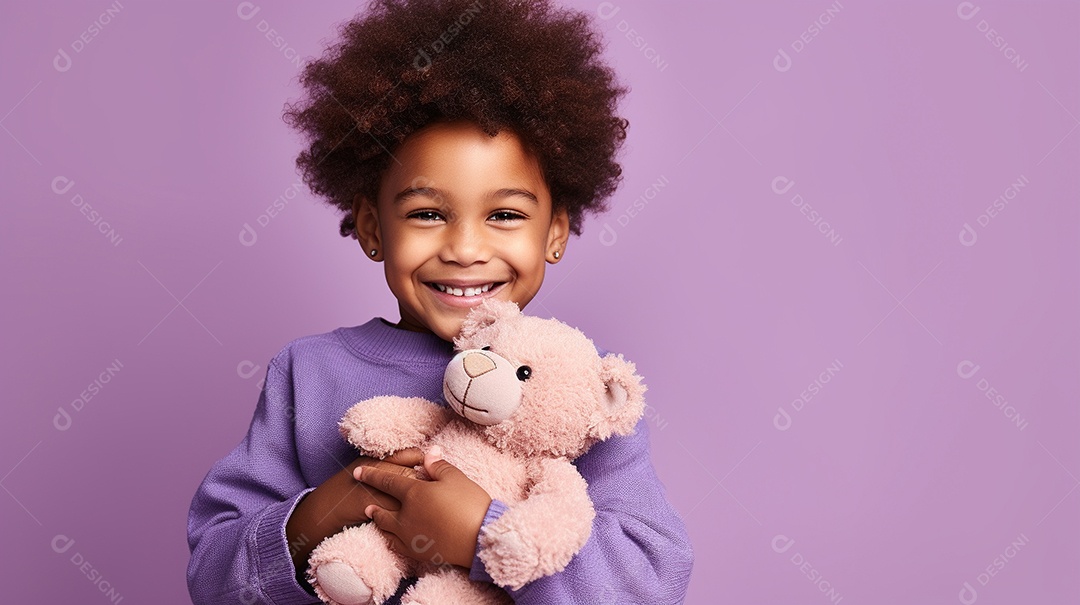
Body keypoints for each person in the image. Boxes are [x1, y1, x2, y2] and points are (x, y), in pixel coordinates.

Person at [186, 0, 693, 603]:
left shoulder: (583, 391)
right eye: (427, 214)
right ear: (372, 228)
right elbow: (214, 574)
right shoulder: (307, 371)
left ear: (555, 232)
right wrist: (323, 512)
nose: (465, 249)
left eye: (505, 215)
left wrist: (481, 535)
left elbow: (651, 577)